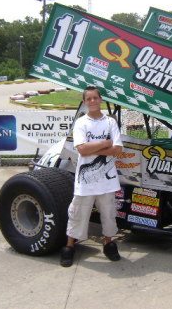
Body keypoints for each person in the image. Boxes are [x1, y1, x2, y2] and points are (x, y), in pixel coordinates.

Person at [60, 86, 123, 267]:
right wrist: (105, 143)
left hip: (107, 180)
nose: (93, 101)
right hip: (85, 181)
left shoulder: (110, 122)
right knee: (77, 213)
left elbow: (117, 150)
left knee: (109, 214)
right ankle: (70, 246)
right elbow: (82, 149)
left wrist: (93, 147)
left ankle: (109, 243)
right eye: (89, 99)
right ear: (85, 102)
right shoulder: (81, 123)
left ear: (100, 99)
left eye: (95, 97)